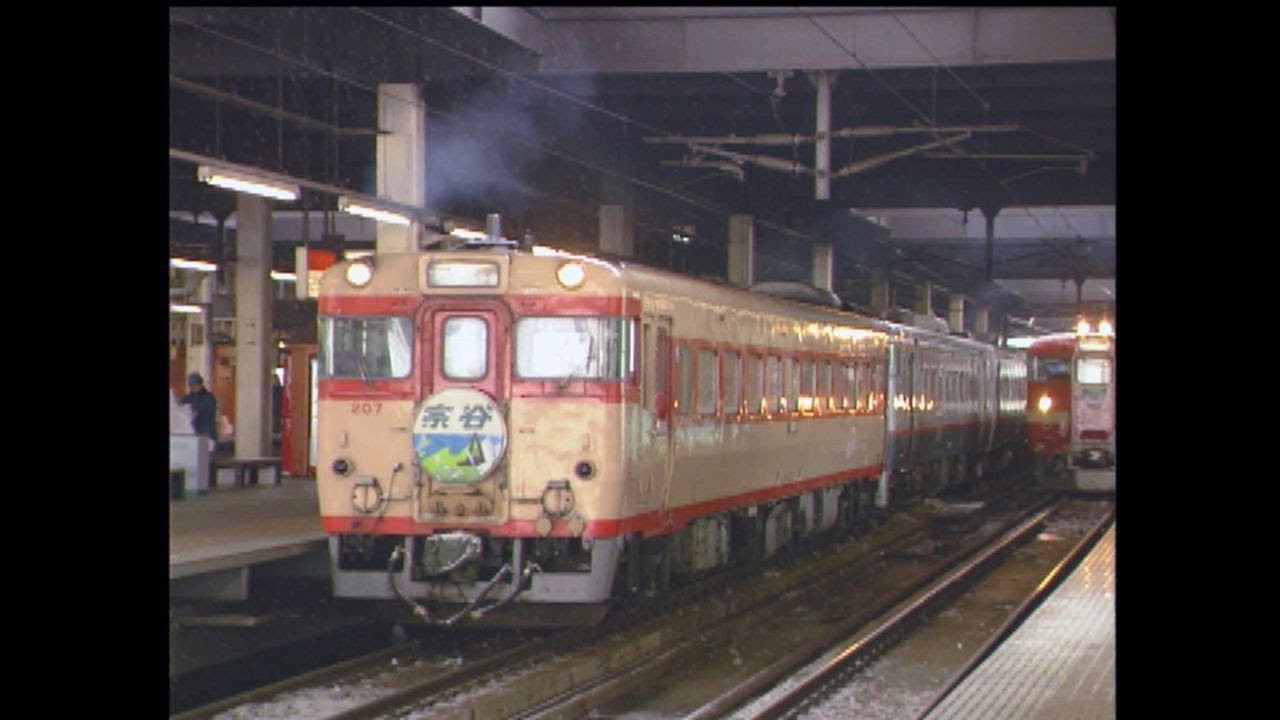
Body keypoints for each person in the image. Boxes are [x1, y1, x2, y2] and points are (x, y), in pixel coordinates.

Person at [180, 372, 218, 449]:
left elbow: (210, 412)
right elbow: (181, 411)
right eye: (190, 386)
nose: (193, 387)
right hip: (192, 434)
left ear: (200, 384)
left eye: (195, 385)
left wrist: (197, 411)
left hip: (207, 434)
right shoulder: (187, 398)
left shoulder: (209, 397)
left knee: (205, 458)